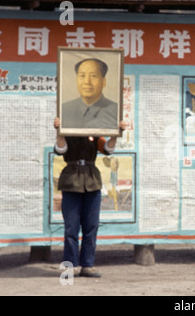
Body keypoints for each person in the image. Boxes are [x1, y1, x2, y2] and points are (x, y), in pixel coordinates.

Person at [54, 117, 126, 277]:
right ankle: (70, 265)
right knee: (71, 227)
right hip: (71, 180)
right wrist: (59, 131)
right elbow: (60, 150)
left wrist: (115, 134)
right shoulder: (67, 131)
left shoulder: (94, 133)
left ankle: (87, 264)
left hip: (92, 181)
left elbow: (107, 149)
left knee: (91, 226)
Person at [61, 58, 118, 129]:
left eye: (93, 76)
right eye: (82, 76)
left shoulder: (116, 111)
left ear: (103, 82)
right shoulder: (64, 109)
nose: (87, 82)